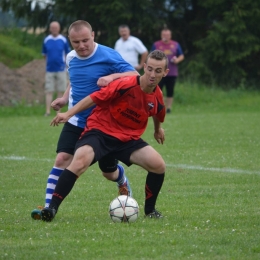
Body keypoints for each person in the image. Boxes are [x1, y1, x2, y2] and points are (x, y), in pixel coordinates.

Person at [40, 50, 169, 222]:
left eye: (158, 71)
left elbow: (158, 113)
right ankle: (52, 208)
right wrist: (68, 114)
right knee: (80, 161)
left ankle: (150, 210)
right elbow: (93, 98)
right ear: (144, 67)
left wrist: (157, 129)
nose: (153, 74)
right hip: (100, 131)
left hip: (127, 139)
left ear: (165, 72)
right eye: (150, 69)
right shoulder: (125, 84)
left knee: (158, 165)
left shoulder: (158, 96)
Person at [31, 20, 139, 220]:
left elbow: (135, 74)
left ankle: (121, 178)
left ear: (93, 35)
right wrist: (64, 98)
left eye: (85, 41)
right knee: (62, 159)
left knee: (108, 172)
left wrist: (112, 77)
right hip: (76, 120)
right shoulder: (71, 57)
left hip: (103, 125)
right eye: (75, 42)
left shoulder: (108, 55)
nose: (81, 46)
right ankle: (49, 207)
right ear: (70, 41)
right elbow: (75, 78)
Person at [151, 28, 184, 113]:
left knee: (170, 90)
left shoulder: (175, 44)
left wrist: (177, 60)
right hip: (159, 72)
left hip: (172, 72)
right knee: (158, 89)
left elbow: (181, 56)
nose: (166, 36)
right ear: (161, 35)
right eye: (164, 35)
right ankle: (159, 106)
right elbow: (151, 56)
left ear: (170, 36)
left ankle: (169, 108)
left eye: (167, 35)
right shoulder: (156, 44)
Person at [42, 21, 71, 116]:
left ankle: (58, 112)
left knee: (60, 90)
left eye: (56, 28)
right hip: (49, 69)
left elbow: (67, 54)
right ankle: (47, 111)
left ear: (59, 29)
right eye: (52, 28)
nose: (54, 29)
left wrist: (66, 66)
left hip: (61, 69)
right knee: (49, 90)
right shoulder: (46, 40)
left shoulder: (63, 40)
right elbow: (44, 55)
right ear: (50, 29)